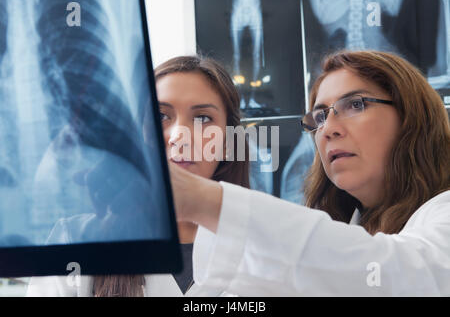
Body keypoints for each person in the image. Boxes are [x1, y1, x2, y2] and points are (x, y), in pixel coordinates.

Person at [170, 50, 450, 296]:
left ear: (413, 117)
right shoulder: (347, 229)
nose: (327, 129)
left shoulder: (442, 218)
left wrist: (207, 201)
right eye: (319, 118)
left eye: (355, 104)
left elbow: (403, 278)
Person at [26, 55, 249, 297]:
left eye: (203, 118)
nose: (179, 135)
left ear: (228, 142)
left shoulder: (269, 253)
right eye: (161, 116)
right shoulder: (73, 242)